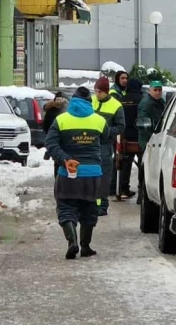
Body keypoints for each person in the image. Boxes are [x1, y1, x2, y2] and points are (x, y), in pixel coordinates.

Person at [45, 87, 109, 259]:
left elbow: (51, 143)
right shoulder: (99, 120)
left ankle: (72, 241)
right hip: (93, 174)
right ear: (89, 101)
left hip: (68, 173)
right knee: (89, 209)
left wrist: (65, 159)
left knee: (66, 207)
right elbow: (106, 138)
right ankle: (85, 246)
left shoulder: (61, 120)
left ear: (73, 101)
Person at [92, 76, 126, 216]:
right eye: (95, 91)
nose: (97, 94)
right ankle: (91, 204)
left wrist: (106, 132)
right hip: (89, 143)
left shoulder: (116, 106)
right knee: (90, 175)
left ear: (106, 91)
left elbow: (120, 127)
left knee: (104, 176)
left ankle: (102, 205)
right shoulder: (91, 101)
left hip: (105, 145)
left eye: (99, 92)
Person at [116, 78, 144, 200]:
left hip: (125, 137)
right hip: (140, 135)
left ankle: (124, 189)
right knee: (142, 163)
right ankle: (141, 190)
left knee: (126, 163)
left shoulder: (121, 100)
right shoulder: (142, 100)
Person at [137, 79, 167, 148]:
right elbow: (142, 124)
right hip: (148, 140)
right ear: (150, 90)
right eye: (155, 90)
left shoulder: (161, 102)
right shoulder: (146, 104)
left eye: (160, 90)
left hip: (158, 137)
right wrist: (151, 137)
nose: (158, 92)